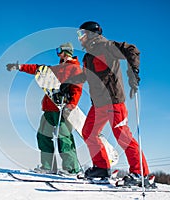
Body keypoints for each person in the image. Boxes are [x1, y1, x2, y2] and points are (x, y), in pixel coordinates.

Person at [60, 21, 150, 184]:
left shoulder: (107, 46)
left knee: (122, 135)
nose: (80, 39)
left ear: (92, 34)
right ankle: (101, 167)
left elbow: (131, 50)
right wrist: (69, 82)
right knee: (88, 132)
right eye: (79, 35)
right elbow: (86, 75)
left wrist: (133, 71)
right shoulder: (88, 57)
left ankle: (140, 173)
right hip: (98, 105)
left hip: (114, 101)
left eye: (82, 34)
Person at [6, 42, 83, 175]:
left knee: (64, 139)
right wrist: (18, 67)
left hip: (62, 109)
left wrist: (70, 106)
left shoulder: (75, 69)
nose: (58, 53)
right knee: (43, 136)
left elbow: (77, 89)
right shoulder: (55, 68)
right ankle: (47, 167)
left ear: (66, 52)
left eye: (59, 50)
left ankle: (72, 169)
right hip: (48, 109)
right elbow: (37, 69)